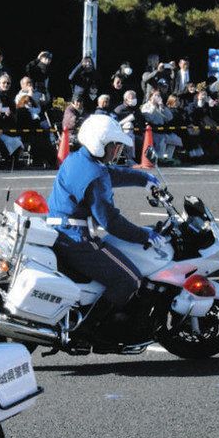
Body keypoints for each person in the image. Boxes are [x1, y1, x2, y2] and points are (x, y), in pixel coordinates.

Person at [45, 113, 163, 331]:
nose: (117, 150)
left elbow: (110, 174)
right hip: (76, 239)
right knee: (128, 279)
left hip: (60, 231)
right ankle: (89, 328)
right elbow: (111, 222)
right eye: (114, 145)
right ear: (100, 144)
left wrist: (143, 179)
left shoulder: (78, 159)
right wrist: (144, 235)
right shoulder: (93, 175)